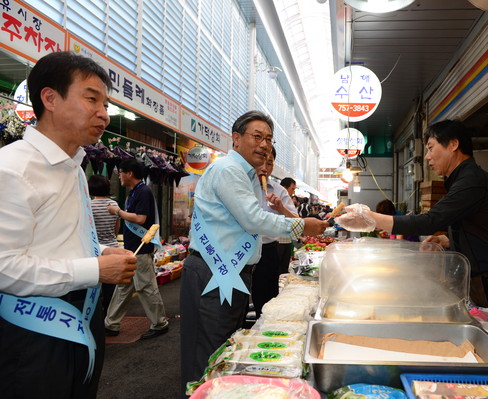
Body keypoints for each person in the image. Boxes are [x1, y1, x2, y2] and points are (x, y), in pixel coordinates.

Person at [0, 51, 137, 398]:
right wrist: (94, 270)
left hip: (83, 318)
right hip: (34, 329)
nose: (104, 114)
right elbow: (4, 267)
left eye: (105, 103)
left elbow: (61, 239)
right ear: (50, 98)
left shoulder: (73, 166)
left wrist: (102, 252)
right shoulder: (12, 169)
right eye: (91, 99)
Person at [179, 110, 328, 395]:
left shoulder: (245, 175)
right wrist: (301, 226)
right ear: (236, 138)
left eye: (268, 139)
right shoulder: (228, 170)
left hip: (230, 273)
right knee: (207, 355)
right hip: (213, 272)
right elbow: (253, 220)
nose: (264, 144)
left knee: (224, 352)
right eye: (256, 136)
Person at [337, 120, 488, 326]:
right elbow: (476, 226)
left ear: (453, 145)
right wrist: (445, 240)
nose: (427, 156)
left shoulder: (471, 180)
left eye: (430, 148)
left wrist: (371, 218)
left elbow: (430, 220)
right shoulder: (461, 179)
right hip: (483, 281)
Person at [104, 158, 169, 339]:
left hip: (141, 249)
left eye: (121, 172)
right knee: (123, 286)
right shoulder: (134, 192)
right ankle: (111, 324)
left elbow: (140, 219)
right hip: (131, 247)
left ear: (129, 173)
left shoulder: (144, 192)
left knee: (146, 287)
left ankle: (159, 323)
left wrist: (117, 212)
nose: (119, 176)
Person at [251, 147, 299, 318]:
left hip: (268, 250)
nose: (264, 167)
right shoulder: (241, 186)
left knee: (265, 303)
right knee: (236, 302)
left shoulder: (279, 191)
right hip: (240, 250)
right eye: (261, 161)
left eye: (269, 163)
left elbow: (296, 222)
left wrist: (281, 208)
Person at [88, 174, 121, 314]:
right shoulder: (113, 205)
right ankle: (111, 316)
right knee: (111, 286)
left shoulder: (88, 205)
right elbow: (116, 227)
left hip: (95, 249)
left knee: (95, 283)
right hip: (112, 247)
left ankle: (96, 316)